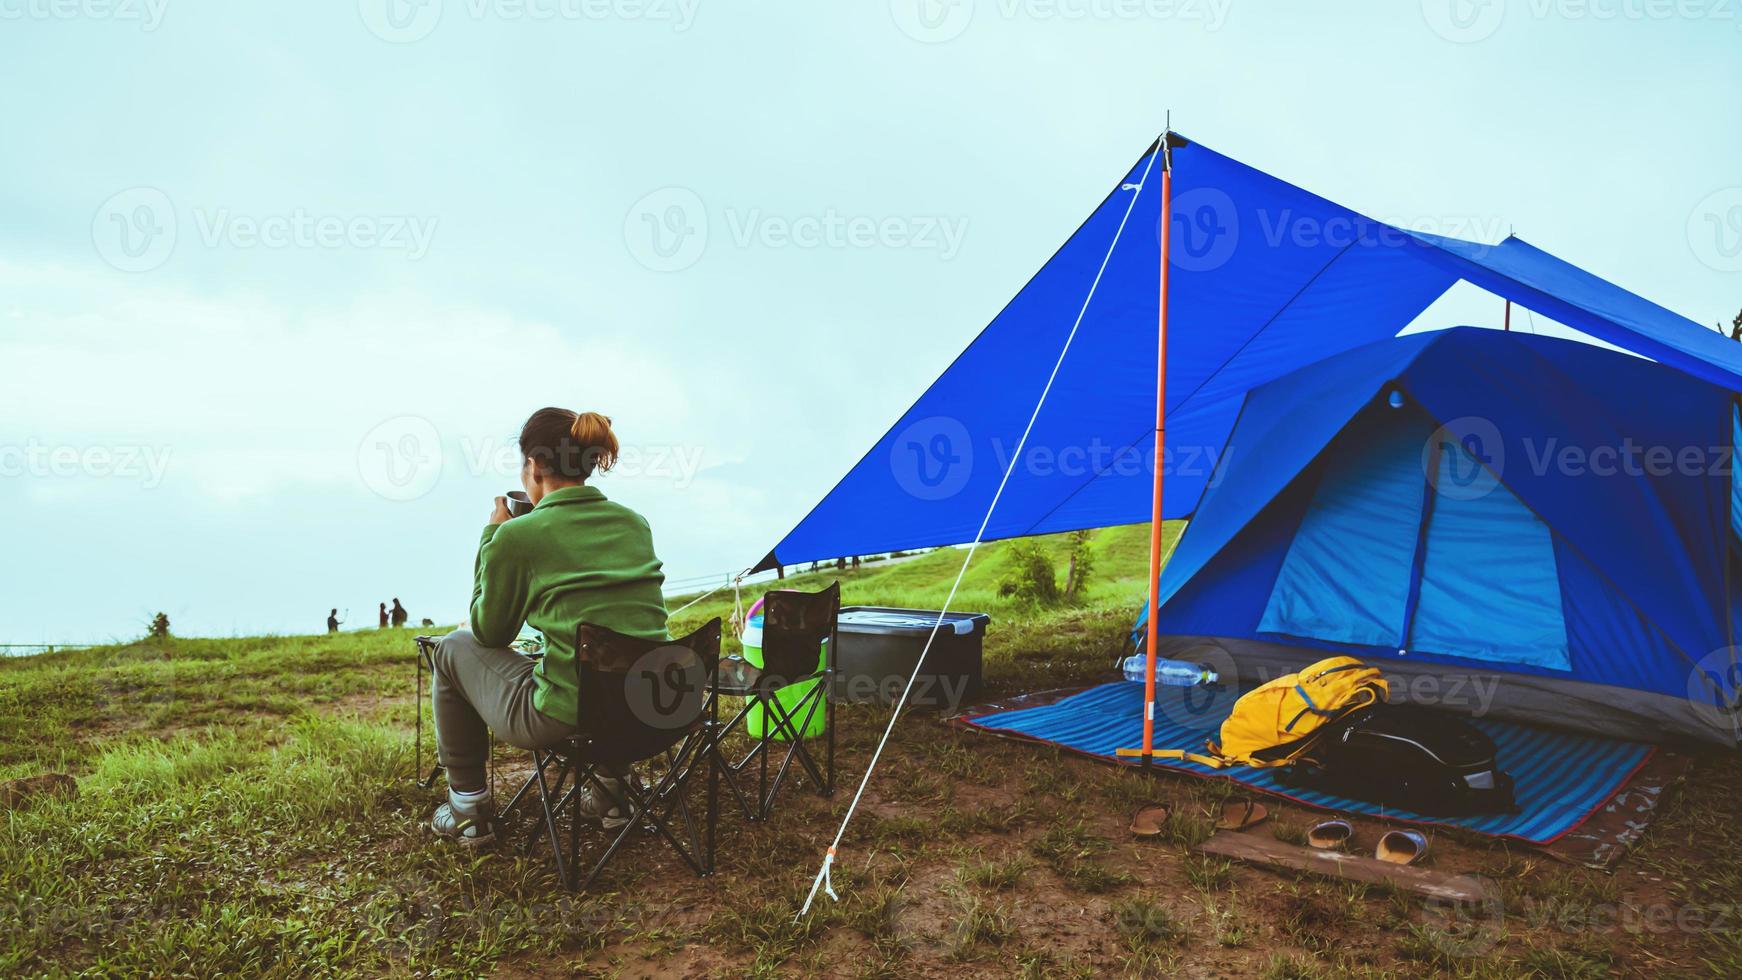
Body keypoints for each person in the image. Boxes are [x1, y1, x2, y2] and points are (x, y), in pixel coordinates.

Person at [426, 408, 668, 845]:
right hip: (654, 705)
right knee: (605, 661)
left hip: (564, 716)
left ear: (534, 467)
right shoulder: (635, 524)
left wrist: (492, 537)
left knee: (451, 648)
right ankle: (613, 797)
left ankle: (468, 808)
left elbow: (489, 633)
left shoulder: (518, 536)